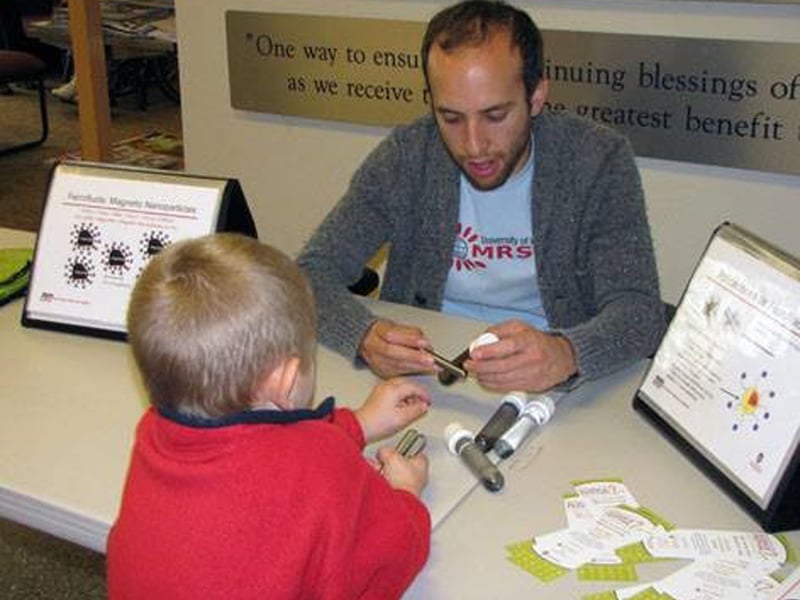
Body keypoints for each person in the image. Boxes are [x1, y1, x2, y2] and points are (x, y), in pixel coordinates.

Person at [297, 0, 665, 393]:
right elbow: (307, 274)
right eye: (451, 118)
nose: (473, 145)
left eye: (495, 116)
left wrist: (567, 353)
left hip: (549, 386)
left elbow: (639, 312)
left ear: (536, 97)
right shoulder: (406, 157)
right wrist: (363, 335)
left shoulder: (597, 161)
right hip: (427, 383)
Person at [107, 233, 432, 599]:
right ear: (286, 379)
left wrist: (359, 423)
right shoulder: (319, 461)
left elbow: (259, 444)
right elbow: (393, 559)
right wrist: (407, 493)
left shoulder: (153, 432)